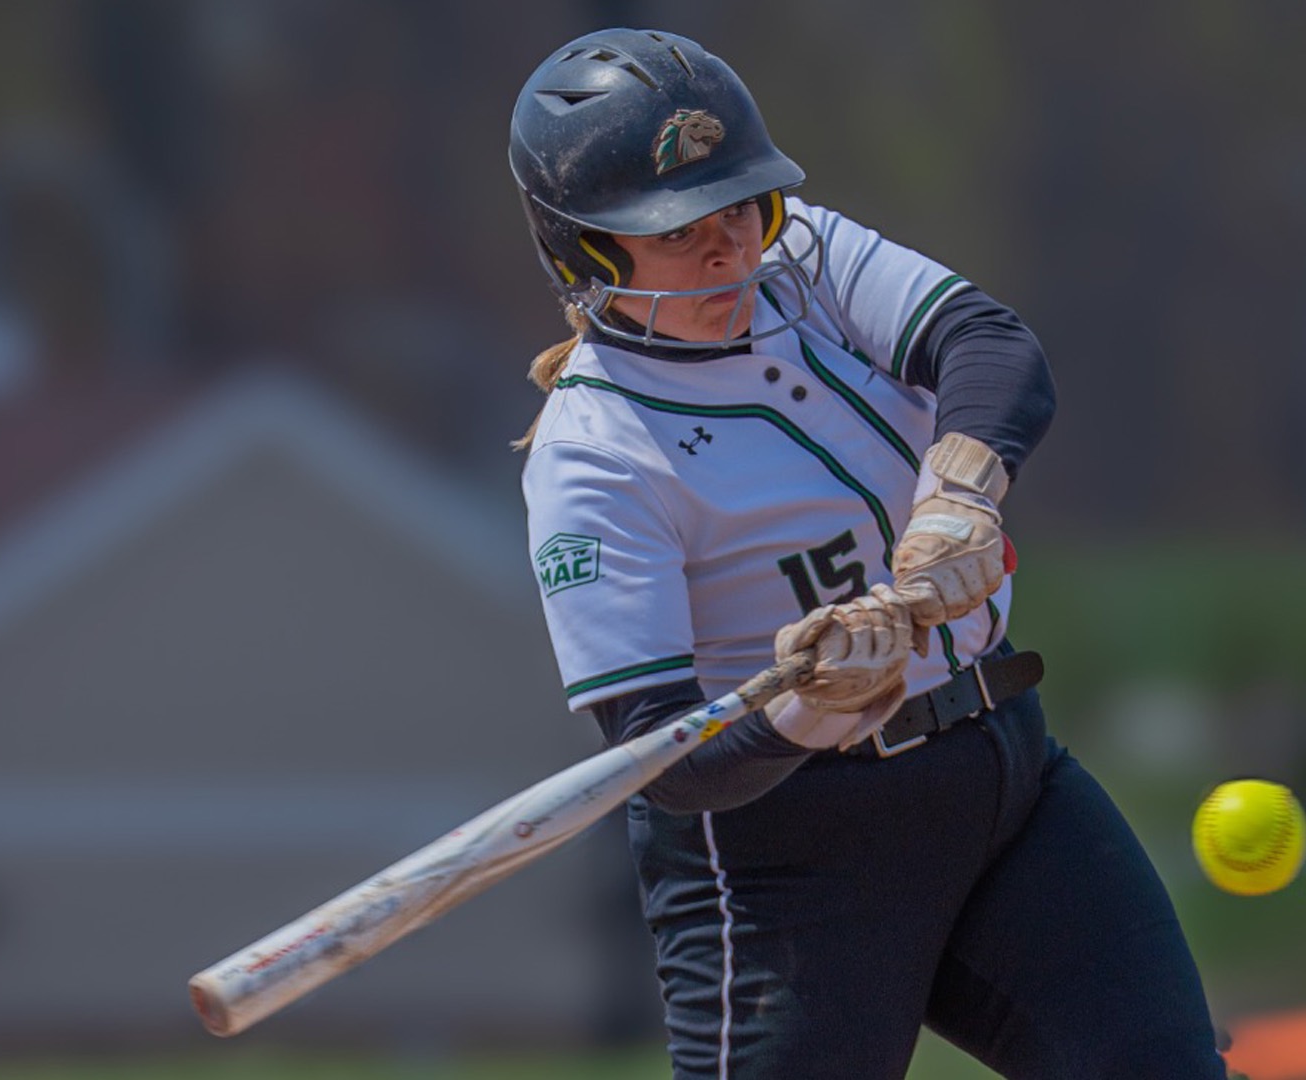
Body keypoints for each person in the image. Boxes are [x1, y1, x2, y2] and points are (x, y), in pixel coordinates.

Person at [508, 28, 1228, 1080]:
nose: (729, 251)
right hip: (793, 867)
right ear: (584, 252)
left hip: (1004, 779)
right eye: (677, 233)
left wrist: (958, 500)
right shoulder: (594, 459)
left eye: (737, 207)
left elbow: (988, 343)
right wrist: (816, 704)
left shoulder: (802, 257)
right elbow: (661, 757)